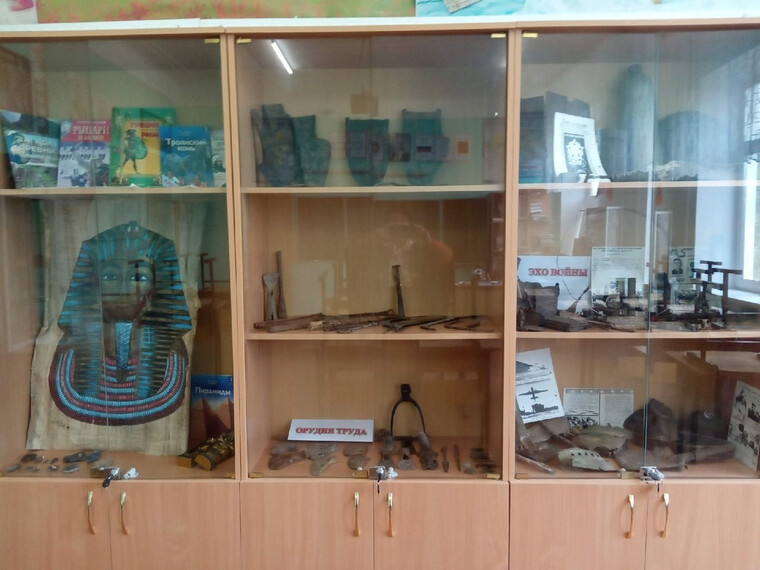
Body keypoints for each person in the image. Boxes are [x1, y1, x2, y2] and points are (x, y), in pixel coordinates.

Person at [49, 221, 192, 425]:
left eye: (138, 276)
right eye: (110, 276)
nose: (123, 290)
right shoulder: (73, 351)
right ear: (94, 284)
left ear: (156, 286)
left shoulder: (170, 352)